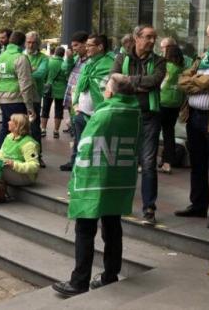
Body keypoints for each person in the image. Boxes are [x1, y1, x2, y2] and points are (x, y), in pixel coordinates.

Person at [52, 74, 141, 296]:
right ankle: (110, 275)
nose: (104, 92)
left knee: (85, 229)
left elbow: (86, 148)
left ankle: (78, 282)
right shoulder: (135, 112)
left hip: (95, 178)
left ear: (111, 92)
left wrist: (75, 181)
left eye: (106, 89)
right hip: (119, 178)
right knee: (112, 227)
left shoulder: (104, 113)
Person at [176, 19, 209, 229]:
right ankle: (198, 205)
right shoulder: (204, 57)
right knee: (197, 164)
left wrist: (195, 83)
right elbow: (181, 79)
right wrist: (199, 83)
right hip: (194, 116)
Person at [111, 25, 166, 225]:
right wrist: (138, 84)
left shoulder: (159, 60)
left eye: (154, 37)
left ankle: (149, 209)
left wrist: (128, 82)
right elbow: (114, 80)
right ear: (137, 38)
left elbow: (155, 81)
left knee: (149, 163)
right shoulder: (121, 58)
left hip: (150, 116)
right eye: (148, 37)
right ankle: (119, 203)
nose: (152, 41)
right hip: (125, 115)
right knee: (124, 161)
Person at [70, 34, 113, 173]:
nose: (86, 48)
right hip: (81, 113)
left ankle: (92, 177)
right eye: (86, 45)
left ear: (100, 47)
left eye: (89, 45)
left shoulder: (110, 64)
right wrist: (75, 105)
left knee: (94, 150)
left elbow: (107, 90)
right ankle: (78, 175)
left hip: (98, 116)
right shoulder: (88, 63)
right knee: (79, 146)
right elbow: (79, 85)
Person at [0, 31, 35, 150]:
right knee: (20, 131)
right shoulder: (21, 58)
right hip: (17, 100)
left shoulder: (2, 56)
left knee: (6, 129)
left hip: (3, 99)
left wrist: (0, 92)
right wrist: (30, 107)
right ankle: (17, 158)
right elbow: (25, 84)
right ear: (22, 44)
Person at [60, 31, 89, 171]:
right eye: (73, 46)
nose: (74, 48)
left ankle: (78, 161)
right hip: (72, 100)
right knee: (75, 132)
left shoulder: (90, 61)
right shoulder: (77, 58)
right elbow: (65, 70)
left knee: (80, 133)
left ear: (85, 44)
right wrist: (69, 59)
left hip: (81, 103)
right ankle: (74, 159)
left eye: (77, 45)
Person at [158, 44, 185, 174]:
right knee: (169, 134)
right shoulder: (182, 69)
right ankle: (167, 163)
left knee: (153, 132)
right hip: (175, 104)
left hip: (162, 102)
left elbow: (160, 83)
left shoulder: (166, 67)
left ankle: (145, 161)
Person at [25, 31, 48, 166]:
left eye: (34, 42)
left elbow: (40, 74)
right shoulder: (21, 55)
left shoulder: (43, 58)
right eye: (29, 42)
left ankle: (38, 156)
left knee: (34, 128)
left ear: (38, 43)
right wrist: (31, 70)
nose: (31, 44)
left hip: (35, 97)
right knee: (20, 127)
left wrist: (24, 73)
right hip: (20, 96)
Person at [41, 47, 68, 139]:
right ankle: (56, 131)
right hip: (61, 90)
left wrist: (45, 83)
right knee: (59, 111)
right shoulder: (64, 64)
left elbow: (44, 75)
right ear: (63, 54)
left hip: (49, 89)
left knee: (45, 109)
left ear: (55, 53)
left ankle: (43, 129)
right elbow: (66, 77)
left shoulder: (48, 62)